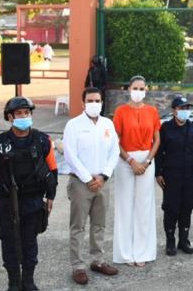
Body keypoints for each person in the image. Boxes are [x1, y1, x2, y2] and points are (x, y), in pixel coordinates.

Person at [0, 97, 58, 291]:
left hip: (33, 202)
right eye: (19, 113)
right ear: (10, 117)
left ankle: (29, 281)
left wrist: (51, 196)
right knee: (9, 242)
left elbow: (52, 169)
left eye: (27, 113)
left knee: (30, 241)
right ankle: (14, 282)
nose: (24, 116)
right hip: (6, 202)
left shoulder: (42, 140)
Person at [63, 87, 119, 285]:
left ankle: (98, 260)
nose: (94, 104)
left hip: (103, 182)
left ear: (102, 102)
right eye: (90, 100)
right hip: (81, 183)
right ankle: (78, 266)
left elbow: (114, 152)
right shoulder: (73, 125)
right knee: (78, 226)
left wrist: (103, 176)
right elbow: (70, 155)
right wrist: (88, 179)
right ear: (83, 103)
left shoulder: (108, 124)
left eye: (98, 100)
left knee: (99, 224)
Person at [112, 75, 160, 266]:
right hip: (125, 161)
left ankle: (142, 253)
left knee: (144, 207)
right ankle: (125, 254)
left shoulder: (152, 111)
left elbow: (157, 139)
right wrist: (131, 161)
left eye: (142, 88)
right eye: (135, 88)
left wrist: (147, 161)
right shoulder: (121, 111)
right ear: (129, 89)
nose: (139, 91)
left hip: (147, 161)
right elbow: (115, 141)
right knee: (124, 206)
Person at [156, 96, 193, 256]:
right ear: (174, 111)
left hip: (191, 176)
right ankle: (170, 241)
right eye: (181, 108)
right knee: (171, 208)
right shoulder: (165, 128)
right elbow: (158, 152)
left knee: (187, 207)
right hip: (171, 176)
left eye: (187, 108)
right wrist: (158, 173)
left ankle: (184, 240)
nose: (184, 111)